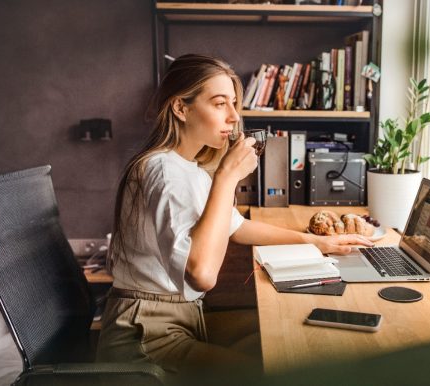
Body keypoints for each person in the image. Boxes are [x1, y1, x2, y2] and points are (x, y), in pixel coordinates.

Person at [96, 54, 374, 373]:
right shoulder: (163, 170)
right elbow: (202, 274)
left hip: (179, 317)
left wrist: (315, 242)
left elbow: (237, 227)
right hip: (146, 334)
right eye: (219, 104)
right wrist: (227, 177)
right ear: (180, 108)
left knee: (283, 338)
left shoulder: (190, 169)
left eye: (233, 103)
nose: (233, 116)